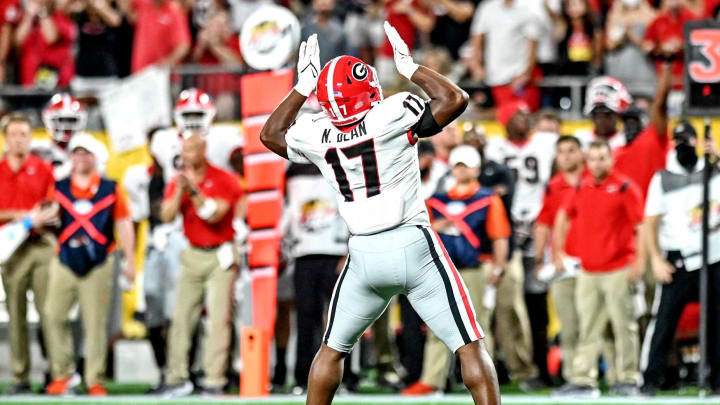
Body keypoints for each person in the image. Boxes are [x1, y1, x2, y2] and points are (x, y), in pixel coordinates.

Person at [260, 23, 500, 405]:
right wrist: (410, 68)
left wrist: (301, 88)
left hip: (363, 256)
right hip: (413, 243)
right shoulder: (394, 111)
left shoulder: (314, 133)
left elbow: (271, 134)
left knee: (332, 351)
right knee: (469, 345)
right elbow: (454, 99)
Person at [403, 145, 510, 395]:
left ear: (476, 169)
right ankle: (432, 380)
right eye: (458, 165)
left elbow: (500, 236)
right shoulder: (436, 201)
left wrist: (498, 267)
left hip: (476, 268)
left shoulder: (488, 198)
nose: (461, 170)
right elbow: (421, 234)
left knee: (478, 327)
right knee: (436, 325)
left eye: (466, 165)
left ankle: (484, 379)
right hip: (443, 269)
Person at [44, 134, 136, 396]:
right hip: (66, 259)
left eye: (85, 154)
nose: (80, 158)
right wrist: (52, 239)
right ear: (70, 158)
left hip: (99, 261)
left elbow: (124, 224)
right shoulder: (59, 187)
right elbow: (50, 218)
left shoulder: (110, 188)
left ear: (95, 157)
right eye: (76, 153)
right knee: (53, 314)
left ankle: (95, 379)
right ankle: (63, 374)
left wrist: (130, 260)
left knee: (96, 323)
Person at [553, 140, 645, 397]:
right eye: (592, 159)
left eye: (601, 158)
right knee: (588, 327)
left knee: (623, 326)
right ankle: (584, 380)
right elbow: (563, 215)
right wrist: (558, 250)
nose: (596, 163)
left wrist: (639, 260)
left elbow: (641, 226)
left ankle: (627, 378)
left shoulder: (625, 187)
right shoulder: (582, 186)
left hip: (618, 267)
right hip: (588, 270)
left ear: (611, 159)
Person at [159, 131, 244, 396]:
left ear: (203, 150)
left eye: (192, 150)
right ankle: (177, 376)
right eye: (184, 151)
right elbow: (166, 216)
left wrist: (192, 191)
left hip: (221, 254)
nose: (187, 156)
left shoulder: (224, 179)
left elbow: (213, 214)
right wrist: (178, 192)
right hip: (193, 253)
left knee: (218, 320)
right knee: (182, 317)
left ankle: (214, 379)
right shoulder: (178, 181)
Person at [640, 123, 720, 395]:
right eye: (678, 141)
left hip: (713, 258)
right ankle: (650, 379)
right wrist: (656, 259)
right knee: (664, 322)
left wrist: (718, 158)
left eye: (687, 140)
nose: (683, 145)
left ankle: (717, 380)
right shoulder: (663, 177)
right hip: (679, 259)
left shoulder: (713, 170)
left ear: (698, 141)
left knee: (717, 321)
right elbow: (650, 221)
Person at [485, 100, 557, 388]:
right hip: (506, 231)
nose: (525, 119)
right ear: (504, 119)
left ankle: (540, 367)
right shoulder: (493, 148)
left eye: (528, 114)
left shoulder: (545, 142)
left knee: (537, 304)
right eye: (518, 115)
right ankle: (505, 365)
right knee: (508, 305)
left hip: (541, 228)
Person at [0, 113, 57, 395]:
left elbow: (54, 206)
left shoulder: (43, 168)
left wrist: (39, 219)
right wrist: (20, 217)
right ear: (6, 138)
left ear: (30, 138)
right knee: (15, 313)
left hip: (40, 243)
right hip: (11, 248)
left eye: (24, 134)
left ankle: (56, 373)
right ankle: (20, 375)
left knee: (50, 312)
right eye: (14, 134)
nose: (19, 139)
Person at [282, 162, 350, 394]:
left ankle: (345, 377)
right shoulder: (292, 172)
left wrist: (349, 249)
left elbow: (349, 208)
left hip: (334, 253)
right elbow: (288, 212)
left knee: (341, 320)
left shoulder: (338, 166)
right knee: (306, 318)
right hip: (304, 254)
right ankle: (303, 377)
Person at [533, 135, 585, 384]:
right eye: (561, 151)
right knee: (569, 324)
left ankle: (614, 375)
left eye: (571, 150)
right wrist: (539, 259)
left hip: (595, 262)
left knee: (598, 323)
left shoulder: (594, 180)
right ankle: (574, 377)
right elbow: (543, 223)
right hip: (563, 264)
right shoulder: (554, 185)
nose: (565, 156)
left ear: (580, 153)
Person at [469, 0, 541, 111]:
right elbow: (477, 36)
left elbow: (533, 41)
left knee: (519, 117)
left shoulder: (529, 7)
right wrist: (475, 65)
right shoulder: (486, 7)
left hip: (518, 78)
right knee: (499, 117)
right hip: (494, 77)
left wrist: (526, 73)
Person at [15, 0, 77, 88]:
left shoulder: (59, 16)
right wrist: (29, 17)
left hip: (57, 82)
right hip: (30, 82)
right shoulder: (25, 19)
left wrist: (43, 13)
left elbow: (51, 38)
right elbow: (18, 41)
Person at [603, 0, 657, 95]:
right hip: (618, 73)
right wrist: (622, 37)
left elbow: (650, 47)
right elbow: (609, 46)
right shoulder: (614, 15)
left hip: (642, 75)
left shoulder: (650, 15)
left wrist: (632, 37)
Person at [642, 0, 699, 88]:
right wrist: (659, 47)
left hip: (686, 76)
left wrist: (681, 45)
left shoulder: (692, 19)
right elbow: (647, 44)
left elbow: (699, 45)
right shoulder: (658, 20)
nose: (673, 2)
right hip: (663, 77)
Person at [129, 0, 191, 73]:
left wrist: (169, 61)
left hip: (160, 75)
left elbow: (183, 45)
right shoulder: (144, 5)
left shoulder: (174, 13)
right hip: (139, 72)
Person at [575, 76, 633, 151]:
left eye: (607, 114)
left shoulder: (625, 140)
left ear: (618, 114)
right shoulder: (580, 139)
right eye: (596, 114)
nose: (601, 120)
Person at [548, 0, 603, 76]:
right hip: (567, 71)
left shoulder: (592, 26)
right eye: (569, 4)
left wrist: (596, 70)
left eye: (576, 3)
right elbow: (551, 13)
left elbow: (597, 54)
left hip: (587, 71)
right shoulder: (563, 26)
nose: (573, 7)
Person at [301, 0, 347, 67]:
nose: (324, 2)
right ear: (314, 3)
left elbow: (343, 56)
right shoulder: (304, 28)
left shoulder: (340, 31)